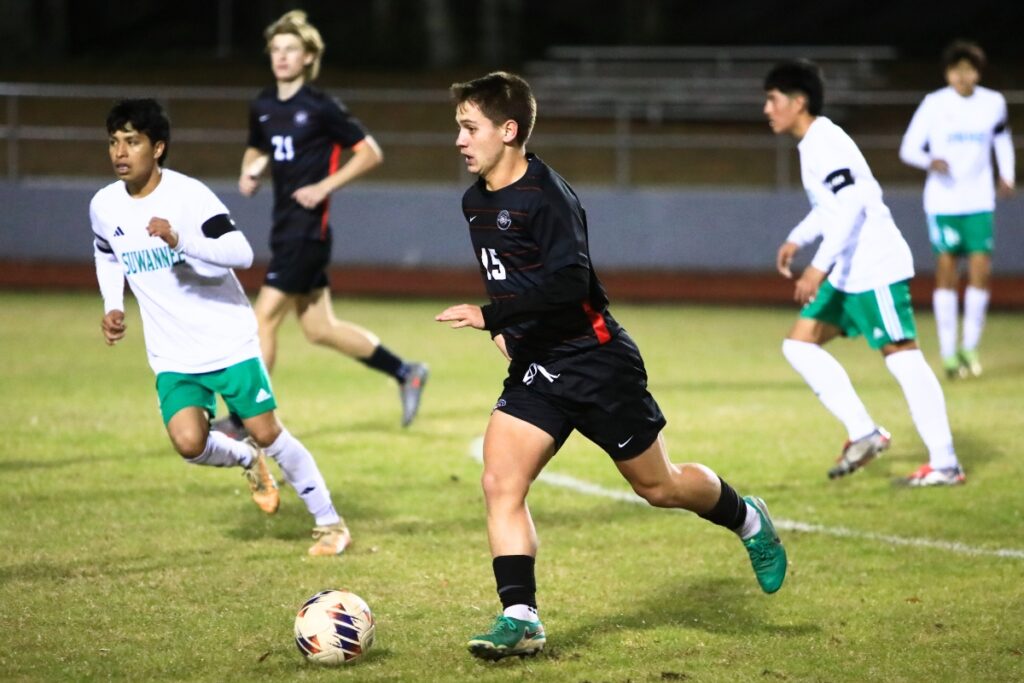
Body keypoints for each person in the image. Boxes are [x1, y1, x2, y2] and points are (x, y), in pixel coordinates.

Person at [435, 72, 787, 661]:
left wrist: (493, 316)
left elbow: (571, 285)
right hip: (539, 368)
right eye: (459, 129)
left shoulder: (548, 196)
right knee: (501, 482)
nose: (460, 140)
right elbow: (510, 277)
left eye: (470, 128)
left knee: (659, 485)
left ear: (509, 130)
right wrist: (510, 338)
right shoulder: (475, 201)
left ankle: (748, 518)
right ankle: (521, 616)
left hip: (597, 361)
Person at [92, 98, 351, 556]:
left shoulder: (188, 196)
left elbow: (241, 253)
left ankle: (330, 523)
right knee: (189, 443)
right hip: (172, 354)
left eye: (132, 142)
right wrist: (114, 304)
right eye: (114, 141)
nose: (120, 152)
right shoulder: (104, 205)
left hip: (227, 342)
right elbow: (106, 252)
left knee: (269, 432)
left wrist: (180, 239)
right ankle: (245, 456)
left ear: (158, 148)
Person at [216, 9, 427, 438]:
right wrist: (250, 173)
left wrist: (324, 187)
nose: (281, 57)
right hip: (285, 227)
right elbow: (256, 150)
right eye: (276, 49)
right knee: (319, 329)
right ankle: (407, 372)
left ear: (308, 56)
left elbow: (370, 152)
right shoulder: (262, 105)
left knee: (263, 320)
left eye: (291, 49)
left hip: (307, 231)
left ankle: (243, 420)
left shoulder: (321, 107)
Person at [764, 60, 965, 487]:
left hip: (874, 265)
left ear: (798, 102)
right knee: (799, 345)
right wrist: (797, 239)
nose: (767, 108)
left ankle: (945, 463)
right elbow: (830, 208)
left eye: (773, 99)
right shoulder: (812, 144)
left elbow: (854, 205)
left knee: (903, 356)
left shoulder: (825, 142)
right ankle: (864, 432)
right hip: (849, 270)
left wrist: (817, 267)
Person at [899, 40, 1015, 380]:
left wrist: (1006, 175)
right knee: (947, 274)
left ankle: (971, 347)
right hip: (943, 202)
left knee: (981, 272)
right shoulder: (934, 104)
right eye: (956, 69)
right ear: (948, 73)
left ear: (978, 72)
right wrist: (928, 160)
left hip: (979, 200)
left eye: (969, 69)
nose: (963, 76)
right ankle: (949, 353)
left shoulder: (993, 103)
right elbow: (908, 148)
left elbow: (1002, 141)